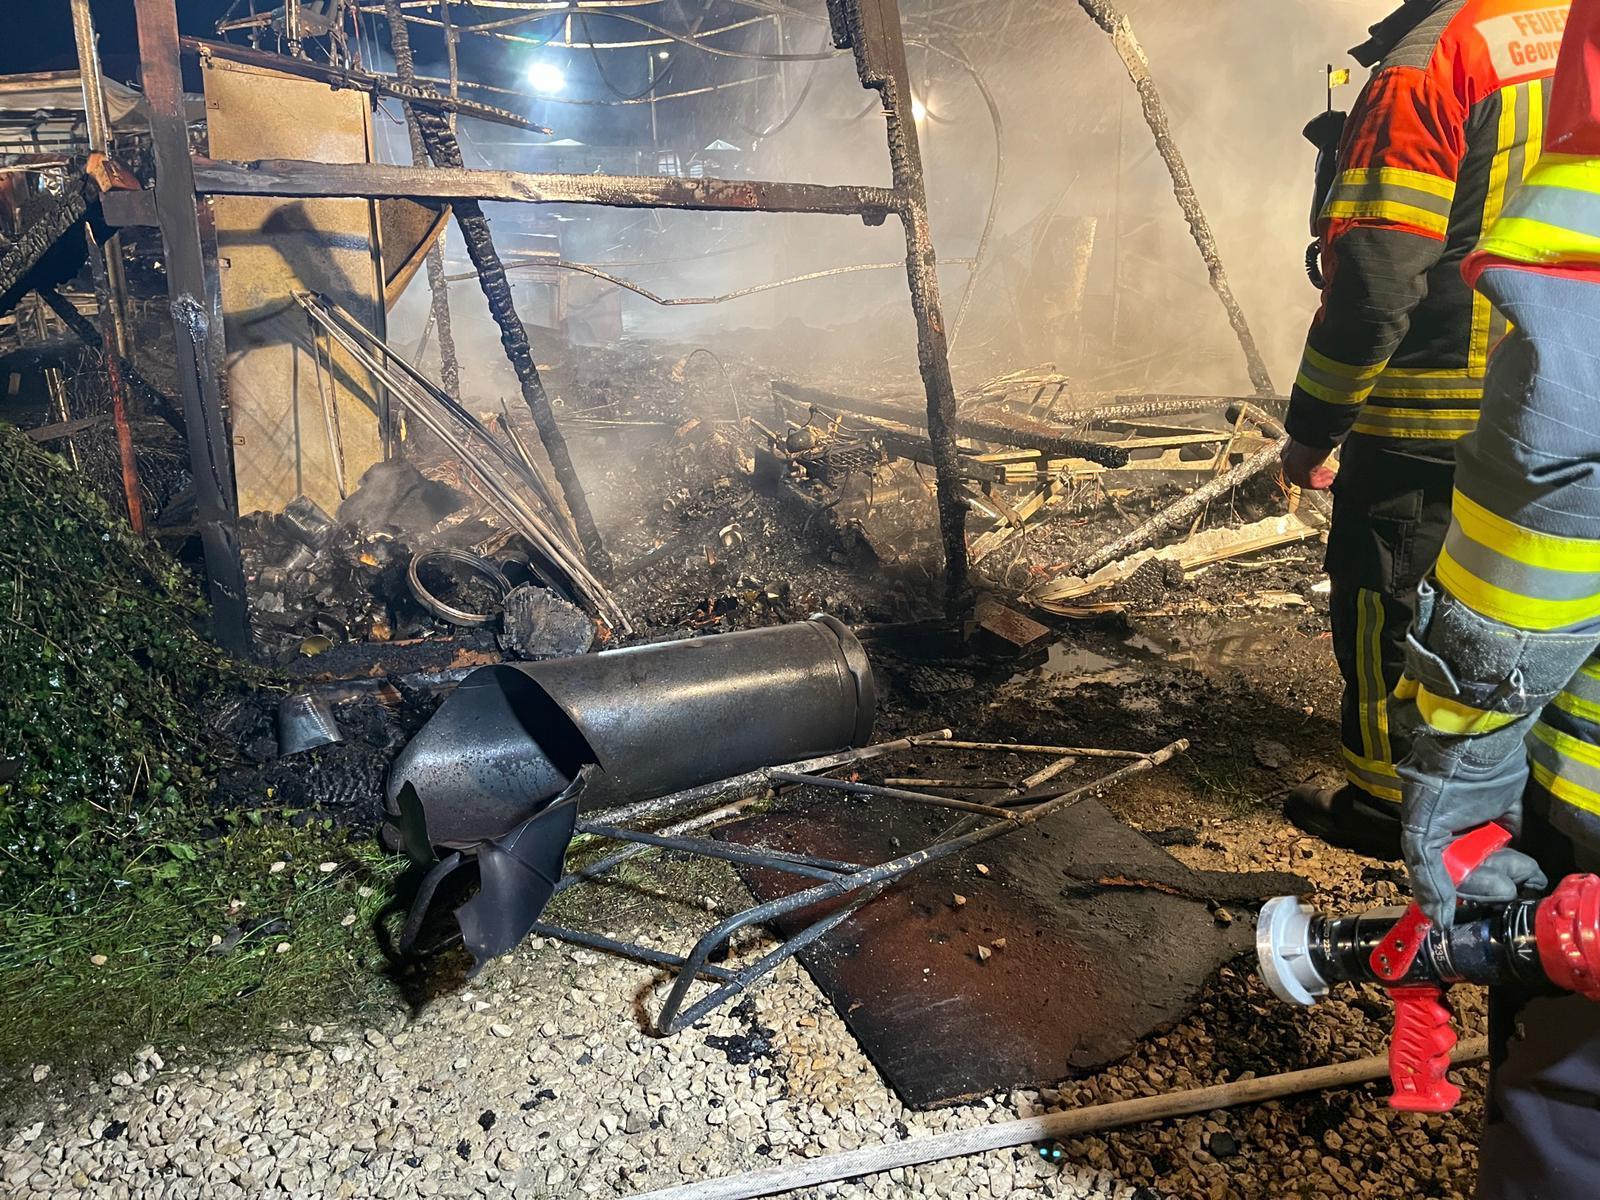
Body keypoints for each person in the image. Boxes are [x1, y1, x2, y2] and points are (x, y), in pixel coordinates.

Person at [1388, 0, 1600, 1192]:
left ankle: (1367, 795)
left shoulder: (1440, 54)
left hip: (1417, 427)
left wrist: (1456, 817)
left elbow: (1545, 528)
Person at [1280, 0, 1570, 858]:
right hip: (1566, 395)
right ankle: (1522, 790)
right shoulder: (1577, 27)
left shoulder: (1432, 63)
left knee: (1386, 597)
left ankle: (1386, 804)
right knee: (1530, 604)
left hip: (1436, 413)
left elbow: (1374, 279)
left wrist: (1314, 427)